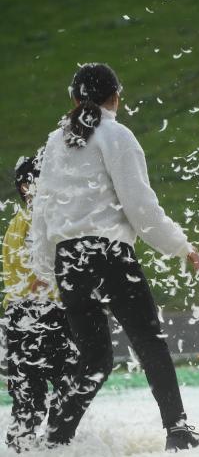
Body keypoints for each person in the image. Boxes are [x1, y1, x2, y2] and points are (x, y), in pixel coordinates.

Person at [28, 63, 199, 450]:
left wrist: (44, 267)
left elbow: (42, 211)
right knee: (149, 341)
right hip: (108, 254)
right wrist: (180, 245)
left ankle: (53, 440)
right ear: (116, 98)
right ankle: (177, 431)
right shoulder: (116, 135)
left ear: (74, 100)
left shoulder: (54, 143)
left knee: (94, 360)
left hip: (69, 260)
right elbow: (140, 207)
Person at [3, 156, 79, 452]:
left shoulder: (22, 220)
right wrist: (41, 280)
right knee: (59, 387)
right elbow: (31, 265)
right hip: (39, 312)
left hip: (24, 315)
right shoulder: (34, 218)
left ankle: (25, 446)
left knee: (32, 395)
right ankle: (51, 445)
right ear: (26, 187)